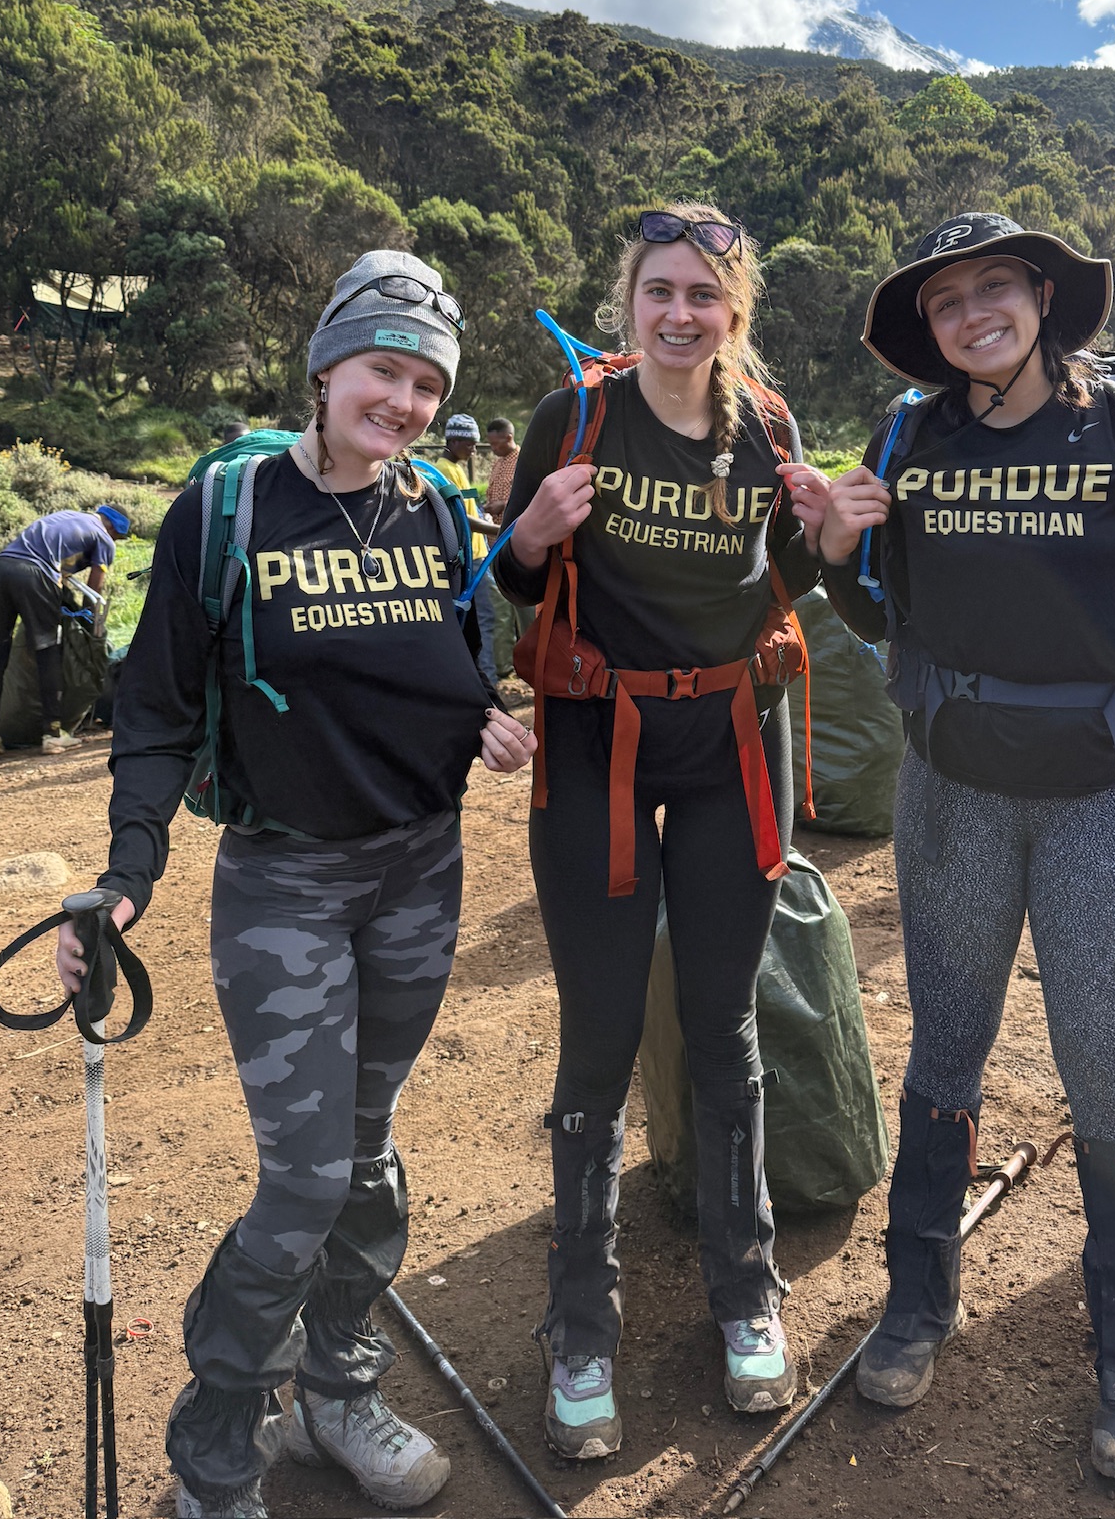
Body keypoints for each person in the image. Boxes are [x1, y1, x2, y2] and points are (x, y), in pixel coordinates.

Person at [56, 250, 536, 1519]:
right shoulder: (228, 508)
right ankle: (218, 1449)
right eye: (387, 370)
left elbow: (448, 672)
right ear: (326, 368)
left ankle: (338, 1388)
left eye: (430, 383)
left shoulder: (433, 507)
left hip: (421, 869)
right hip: (287, 882)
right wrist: (127, 870)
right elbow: (155, 709)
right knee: (308, 1174)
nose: (407, 403)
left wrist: (486, 724)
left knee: (366, 1157)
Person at [810, 213, 1115, 1486]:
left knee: (1103, 1067)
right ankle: (914, 1302)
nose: (970, 315)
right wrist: (839, 553)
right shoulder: (911, 436)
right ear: (930, 331)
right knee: (945, 1047)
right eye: (946, 302)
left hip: (1100, 801)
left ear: (1044, 297)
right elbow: (883, 604)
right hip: (950, 794)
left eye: (993, 288)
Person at [496, 204, 823, 1461]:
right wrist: (528, 534)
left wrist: (834, 527)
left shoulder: (771, 425)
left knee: (724, 1019)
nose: (680, 314)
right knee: (601, 1030)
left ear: (734, 312)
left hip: (733, 738)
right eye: (659, 292)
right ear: (626, 302)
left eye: (704, 295)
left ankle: (746, 1291)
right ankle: (582, 1324)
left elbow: (796, 564)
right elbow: (516, 578)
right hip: (599, 743)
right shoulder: (571, 418)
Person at [0, 502, 131, 755]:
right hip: (34, 575)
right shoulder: (103, 537)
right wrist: (87, 624)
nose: (114, 542)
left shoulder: (65, 517)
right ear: (112, 528)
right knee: (48, 651)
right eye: (117, 537)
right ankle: (53, 734)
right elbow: (95, 587)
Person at [435, 411, 498, 686]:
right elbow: (460, 517)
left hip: (478, 553)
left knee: (486, 616)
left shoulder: (458, 468)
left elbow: (469, 507)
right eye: (471, 443)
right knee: (485, 619)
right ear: (454, 440)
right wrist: (499, 530)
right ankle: (488, 682)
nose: (474, 450)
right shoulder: (445, 470)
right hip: (471, 558)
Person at [483, 417, 529, 680]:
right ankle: (508, 662)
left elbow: (533, 498)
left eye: (495, 443)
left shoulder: (524, 461)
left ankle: (531, 659)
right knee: (504, 608)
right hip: (495, 542)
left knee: (524, 608)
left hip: (516, 543)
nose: (492, 448)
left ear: (508, 438)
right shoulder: (499, 462)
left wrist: (503, 506)